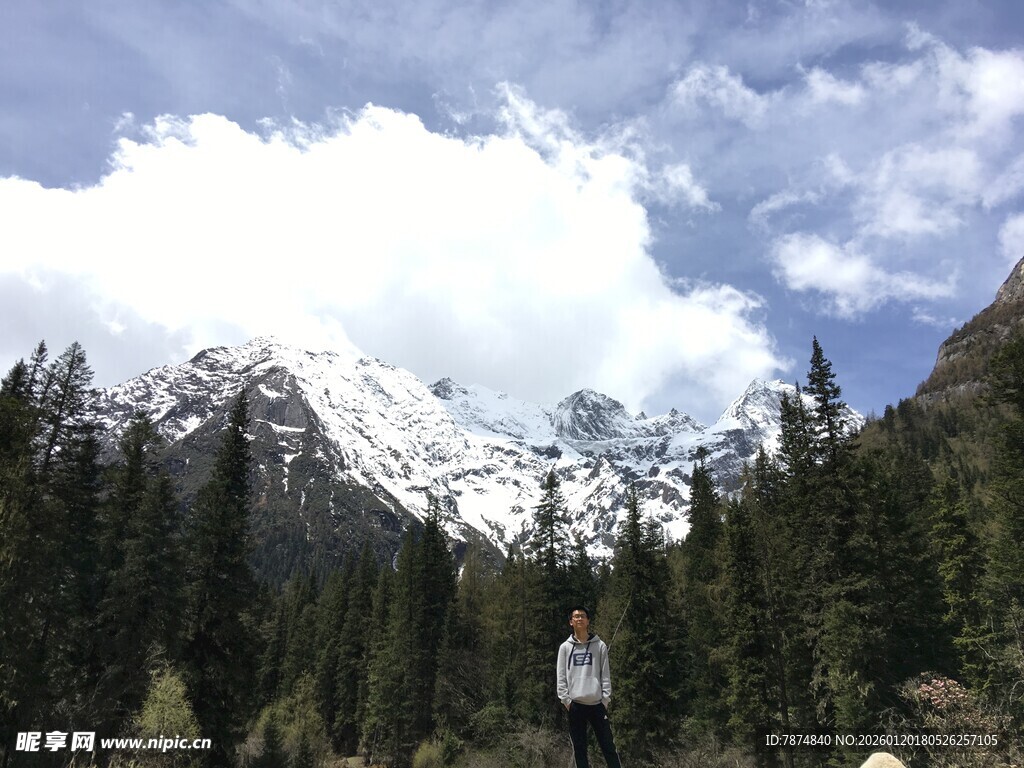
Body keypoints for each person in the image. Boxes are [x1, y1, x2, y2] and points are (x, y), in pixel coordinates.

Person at [556, 606, 622, 768]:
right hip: (575, 705)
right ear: (571, 622)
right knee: (580, 750)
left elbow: (605, 675)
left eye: (583, 616)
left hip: (597, 704)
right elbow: (561, 676)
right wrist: (566, 701)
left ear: (588, 621)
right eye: (576, 616)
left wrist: (605, 699)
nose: (579, 619)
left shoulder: (599, 646)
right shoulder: (565, 647)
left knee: (608, 747)